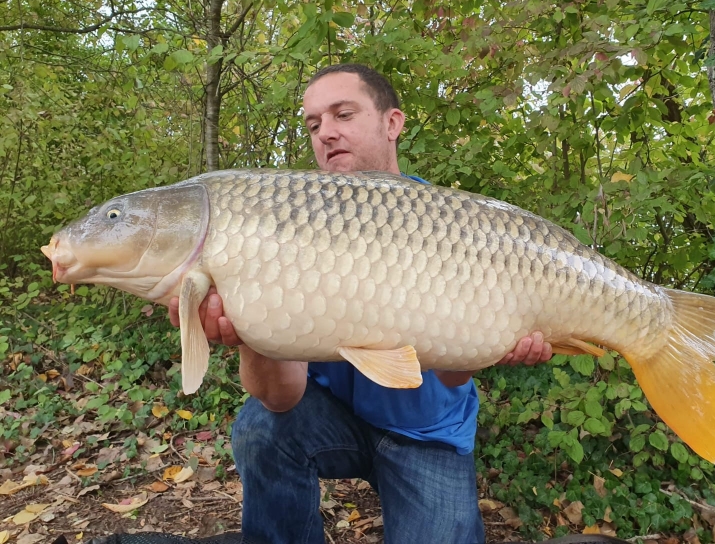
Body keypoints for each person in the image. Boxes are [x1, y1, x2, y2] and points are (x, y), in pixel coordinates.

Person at [168, 63, 553, 544]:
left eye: (342, 114)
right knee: (260, 427)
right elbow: (282, 397)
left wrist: (506, 346)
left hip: (426, 434)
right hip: (332, 420)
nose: (326, 132)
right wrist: (248, 326)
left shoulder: (453, 226)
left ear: (392, 123)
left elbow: (453, 374)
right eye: (313, 124)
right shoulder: (290, 222)